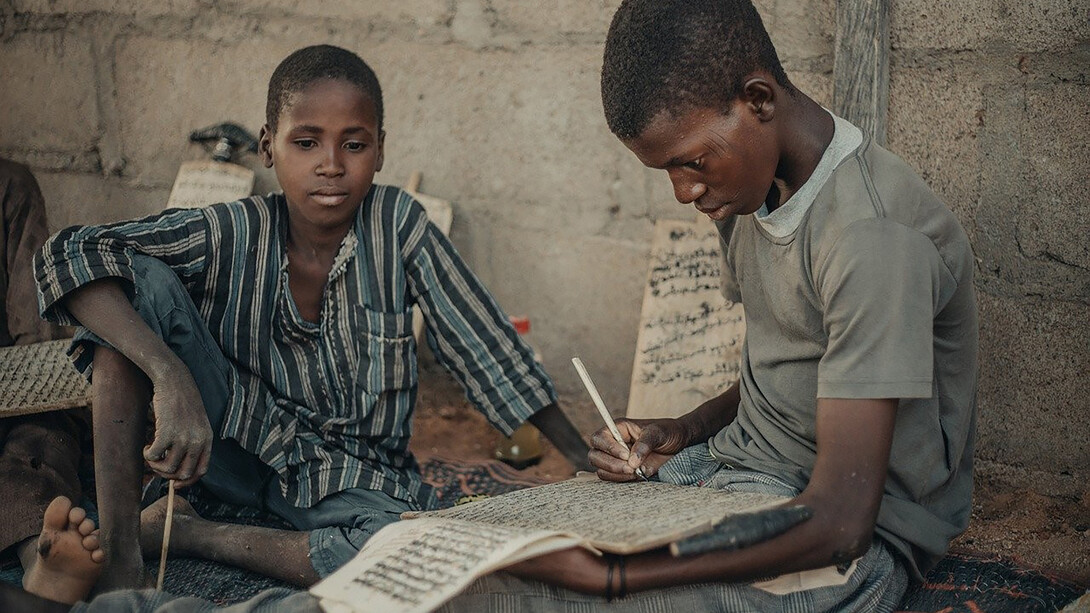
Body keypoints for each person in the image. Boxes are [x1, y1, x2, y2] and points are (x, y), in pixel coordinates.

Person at [439, 0, 978, 611]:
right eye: (667, 170)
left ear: (758, 100)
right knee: (471, 567)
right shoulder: (752, 193)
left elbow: (840, 522)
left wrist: (614, 578)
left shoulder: (872, 241)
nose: (684, 190)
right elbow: (788, 372)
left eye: (691, 162)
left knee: (545, 600)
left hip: (838, 544)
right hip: (721, 478)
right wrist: (681, 429)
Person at [32, 44, 588, 593]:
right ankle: (124, 555)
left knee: (409, 544)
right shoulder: (232, 230)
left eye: (354, 144)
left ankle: (190, 536)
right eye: (306, 142)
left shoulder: (399, 226)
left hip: (350, 473)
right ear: (269, 147)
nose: (330, 165)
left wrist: (586, 460)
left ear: (381, 150)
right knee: (139, 280)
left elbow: (486, 348)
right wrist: (168, 375)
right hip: (227, 449)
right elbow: (70, 251)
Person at [0, 157, 91, 602]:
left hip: (8, 391)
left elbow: (34, 335)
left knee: (40, 439)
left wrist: (40, 389)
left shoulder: (9, 185)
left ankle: (41, 554)